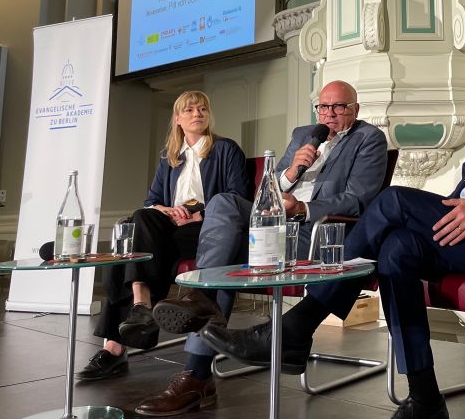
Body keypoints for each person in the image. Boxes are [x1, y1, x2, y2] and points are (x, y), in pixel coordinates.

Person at [199, 34, 465, 419]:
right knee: (396, 249)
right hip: (463, 225)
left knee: (393, 198)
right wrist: (464, 207)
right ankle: (425, 397)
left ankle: (297, 325)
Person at [132, 79, 388, 417]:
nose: (329, 114)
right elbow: (271, 185)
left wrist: (302, 207)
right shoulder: (303, 134)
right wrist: (292, 172)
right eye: (323, 107)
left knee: (223, 259)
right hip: (274, 222)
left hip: (312, 231)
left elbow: (358, 199)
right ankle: (201, 306)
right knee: (223, 202)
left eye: (339, 107)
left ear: (355, 109)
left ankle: (195, 374)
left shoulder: (368, 138)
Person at [78, 91, 250, 381]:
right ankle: (141, 305)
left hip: (207, 226)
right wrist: (167, 211)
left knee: (138, 251)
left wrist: (197, 215)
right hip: (171, 224)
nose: (197, 114)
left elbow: (238, 196)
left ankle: (116, 345)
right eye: (190, 110)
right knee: (140, 219)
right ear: (178, 118)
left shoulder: (225, 149)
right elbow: (151, 201)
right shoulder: (170, 158)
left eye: (202, 109)